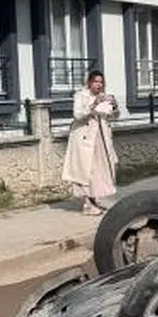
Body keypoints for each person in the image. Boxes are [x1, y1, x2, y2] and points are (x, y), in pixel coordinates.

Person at [61, 70, 119, 214]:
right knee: (86, 170)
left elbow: (114, 116)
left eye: (101, 82)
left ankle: (94, 199)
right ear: (89, 83)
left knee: (100, 169)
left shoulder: (105, 96)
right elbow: (77, 115)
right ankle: (87, 204)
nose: (98, 85)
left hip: (101, 138)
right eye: (95, 82)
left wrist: (115, 105)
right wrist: (93, 104)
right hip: (84, 139)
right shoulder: (81, 95)